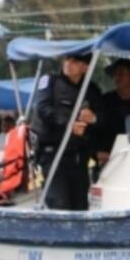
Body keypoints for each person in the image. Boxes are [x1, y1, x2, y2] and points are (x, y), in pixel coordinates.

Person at [31, 51, 102, 210]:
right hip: (53, 154)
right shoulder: (50, 82)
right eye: (67, 59)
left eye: (75, 61)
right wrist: (69, 124)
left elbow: (103, 118)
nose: (68, 63)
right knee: (60, 203)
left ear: (85, 67)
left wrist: (94, 118)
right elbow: (43, 108)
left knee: (80, 205)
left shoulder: (91, 89)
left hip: (78, 157)